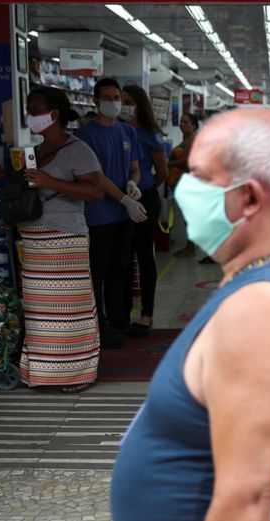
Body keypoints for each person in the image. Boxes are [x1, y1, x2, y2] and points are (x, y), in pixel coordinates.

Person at [110, 108, 270, 521]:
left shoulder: (262, 312)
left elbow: (247, 502)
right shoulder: (257, 282)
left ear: (249, 199)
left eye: (198, 177)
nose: (184, 190)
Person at [17, 88, 105, 393]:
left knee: (70, 311)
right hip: (33, 239)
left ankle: (77, 372)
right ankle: (41, 372)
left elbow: (95, 191)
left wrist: (50, 182)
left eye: (35, 108)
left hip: (65, 239)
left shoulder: (78, 150)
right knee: (40, 313)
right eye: (29, 108)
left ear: (54, 115)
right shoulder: (35, 150)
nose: (30, 114)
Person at [77, 77, 148, 348]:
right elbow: (97, 177)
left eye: (116, 97)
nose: (114, 103)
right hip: (98, 216)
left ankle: (119, 321)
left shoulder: (127, 132)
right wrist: (123, 200)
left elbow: (135, 168)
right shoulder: (86, 135)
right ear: (96, 101)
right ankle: (99, 325)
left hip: (123, 216)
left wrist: (133, 183)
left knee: (120, 270)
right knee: (98, 271)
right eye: (107, 98)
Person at [120, 84, 169, 330]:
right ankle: (122, 312)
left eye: (128, 100)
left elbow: (162, 172)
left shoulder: (150, 134)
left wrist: (146, 186)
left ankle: (146, 313)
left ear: (139, 104)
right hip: (117, 199)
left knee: (143, 255)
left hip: (145, 198)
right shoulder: (116, 129)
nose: (123, 105)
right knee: (123, 258)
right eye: (120, 100)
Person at [167, 113, 199, 258]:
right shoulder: (187, 138)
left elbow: (187, 162)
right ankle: (190, 245)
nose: (182, 124)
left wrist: (167, 163)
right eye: (181, 121)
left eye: (186, 122)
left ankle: (190, 248)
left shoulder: (192, 139)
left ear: (193, 125)